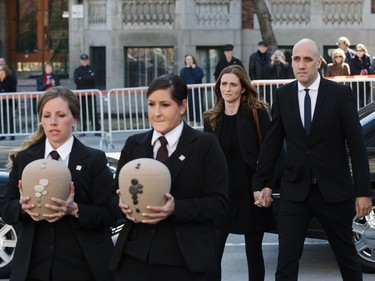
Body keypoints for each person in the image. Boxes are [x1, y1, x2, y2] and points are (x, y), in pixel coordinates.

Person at [252, 38, 373, 281]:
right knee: (286, 263)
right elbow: (272, 145)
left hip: (334, 192)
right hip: (295, 191)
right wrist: (261, 182)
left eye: (307, 59)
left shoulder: (339, 94)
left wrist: (362, 192)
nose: (301, 64)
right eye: (296, 59)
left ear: (318, 62)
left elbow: (357, 146)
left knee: (347, 259)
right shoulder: (284, 95)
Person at [109, 73, 229, 281]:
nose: (156, 113)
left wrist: (176, 208)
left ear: (182, 106)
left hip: (186, 260)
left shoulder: (205, 146)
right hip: (134, 258)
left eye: (165, 105)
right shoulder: (134, 145)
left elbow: (219, 203)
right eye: (151, 104)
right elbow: (112, 196)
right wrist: (121, 204)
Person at [0, 86, 115, 281]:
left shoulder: (94, 159)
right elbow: (6, 209)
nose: (53, 122)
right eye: (47, 116)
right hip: (33, 266)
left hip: (81, 265)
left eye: (60, 115)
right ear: (41, 119)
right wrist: (21, 207)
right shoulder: (24, 159)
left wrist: (75, 209)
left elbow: (110, 214)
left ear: (75, 118)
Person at [203, 65, 275, 281]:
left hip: (250, 192)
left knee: (253, 252)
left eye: (233, 84)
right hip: (221, 195)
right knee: (213, 254)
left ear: (243, 88)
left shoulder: (258, 113)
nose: (228, 88)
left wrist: (267, 186)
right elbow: (207, 160)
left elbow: (270, 154)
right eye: (224, 84)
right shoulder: (211, 118)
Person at [74, 53, 101, 134]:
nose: (84, 62)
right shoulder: (77, 70)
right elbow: (77, 81)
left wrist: (82, 78)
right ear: (80, 61)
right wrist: (87, 78)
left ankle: (96, 129)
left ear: (88, 60)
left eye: (86, 60)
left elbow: (93, 79)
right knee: (82, 112)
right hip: (81, 95)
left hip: (90, 94)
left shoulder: (92, 69)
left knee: (93, 112)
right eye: (83, 60)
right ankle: (83, 129)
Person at [179, 54, 204, 124]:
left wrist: (194, 69)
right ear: (185, 61)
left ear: (193, 60)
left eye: (190, 59)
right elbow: (182, 80)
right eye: (187, 59)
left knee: (197, 105)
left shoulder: (197, 69)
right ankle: (190, 121)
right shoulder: (183, 70)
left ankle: (198, 121)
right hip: (187, 92)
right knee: (188, 106)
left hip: (197, 92)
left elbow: (200, 76)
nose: (189, 61)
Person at [0, 64, 17, 140]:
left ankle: (12, 134)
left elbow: (12, 89)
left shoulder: (11, 78)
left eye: (1, 70)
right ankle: (2, 134)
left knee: (10, 118)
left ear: (5, 71)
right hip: (1, 102)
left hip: (9, 102)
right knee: (1, 118)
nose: (0, 72)